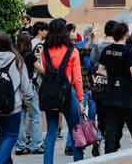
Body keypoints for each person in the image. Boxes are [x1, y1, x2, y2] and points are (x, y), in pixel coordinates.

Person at [35, 18, 85, 164]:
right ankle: (78, 161)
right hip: (68, 94)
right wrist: (81, 99)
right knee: (75, 130)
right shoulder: (73, 51)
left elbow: (46, 71)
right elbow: (77, 79)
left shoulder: (45, 51)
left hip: (51, 93)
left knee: (51, 131)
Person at [0, 33, 36, 164]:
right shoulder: (16, 60)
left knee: (4, 135)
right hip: (13, 105)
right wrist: (29, 99)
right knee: (11, 136)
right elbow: (25, 86)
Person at [96, 22, 132, 154]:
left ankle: (108, 156)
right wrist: (125, 76)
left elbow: (100, 70)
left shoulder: (107, 50)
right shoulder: (128, 51)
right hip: (126, 95)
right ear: (125, 34)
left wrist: (112, 75)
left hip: (111, 94)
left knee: (111, 129)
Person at [88, 20, 117, 157]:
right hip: (112, 86)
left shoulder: (98, 47)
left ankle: (98, 138)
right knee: (112, 116)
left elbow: (93, 62)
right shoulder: (117, 47)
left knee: (100, 115)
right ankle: (110, 145)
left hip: (98, 85)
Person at [15, 32, 43, 156]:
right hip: (29, 87)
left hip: (17, 88)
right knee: (35, 116)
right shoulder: (30, 56)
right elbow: (41, 69)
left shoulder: (14, 55)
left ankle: (20, 146)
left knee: (20, 117)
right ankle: (36, 145)